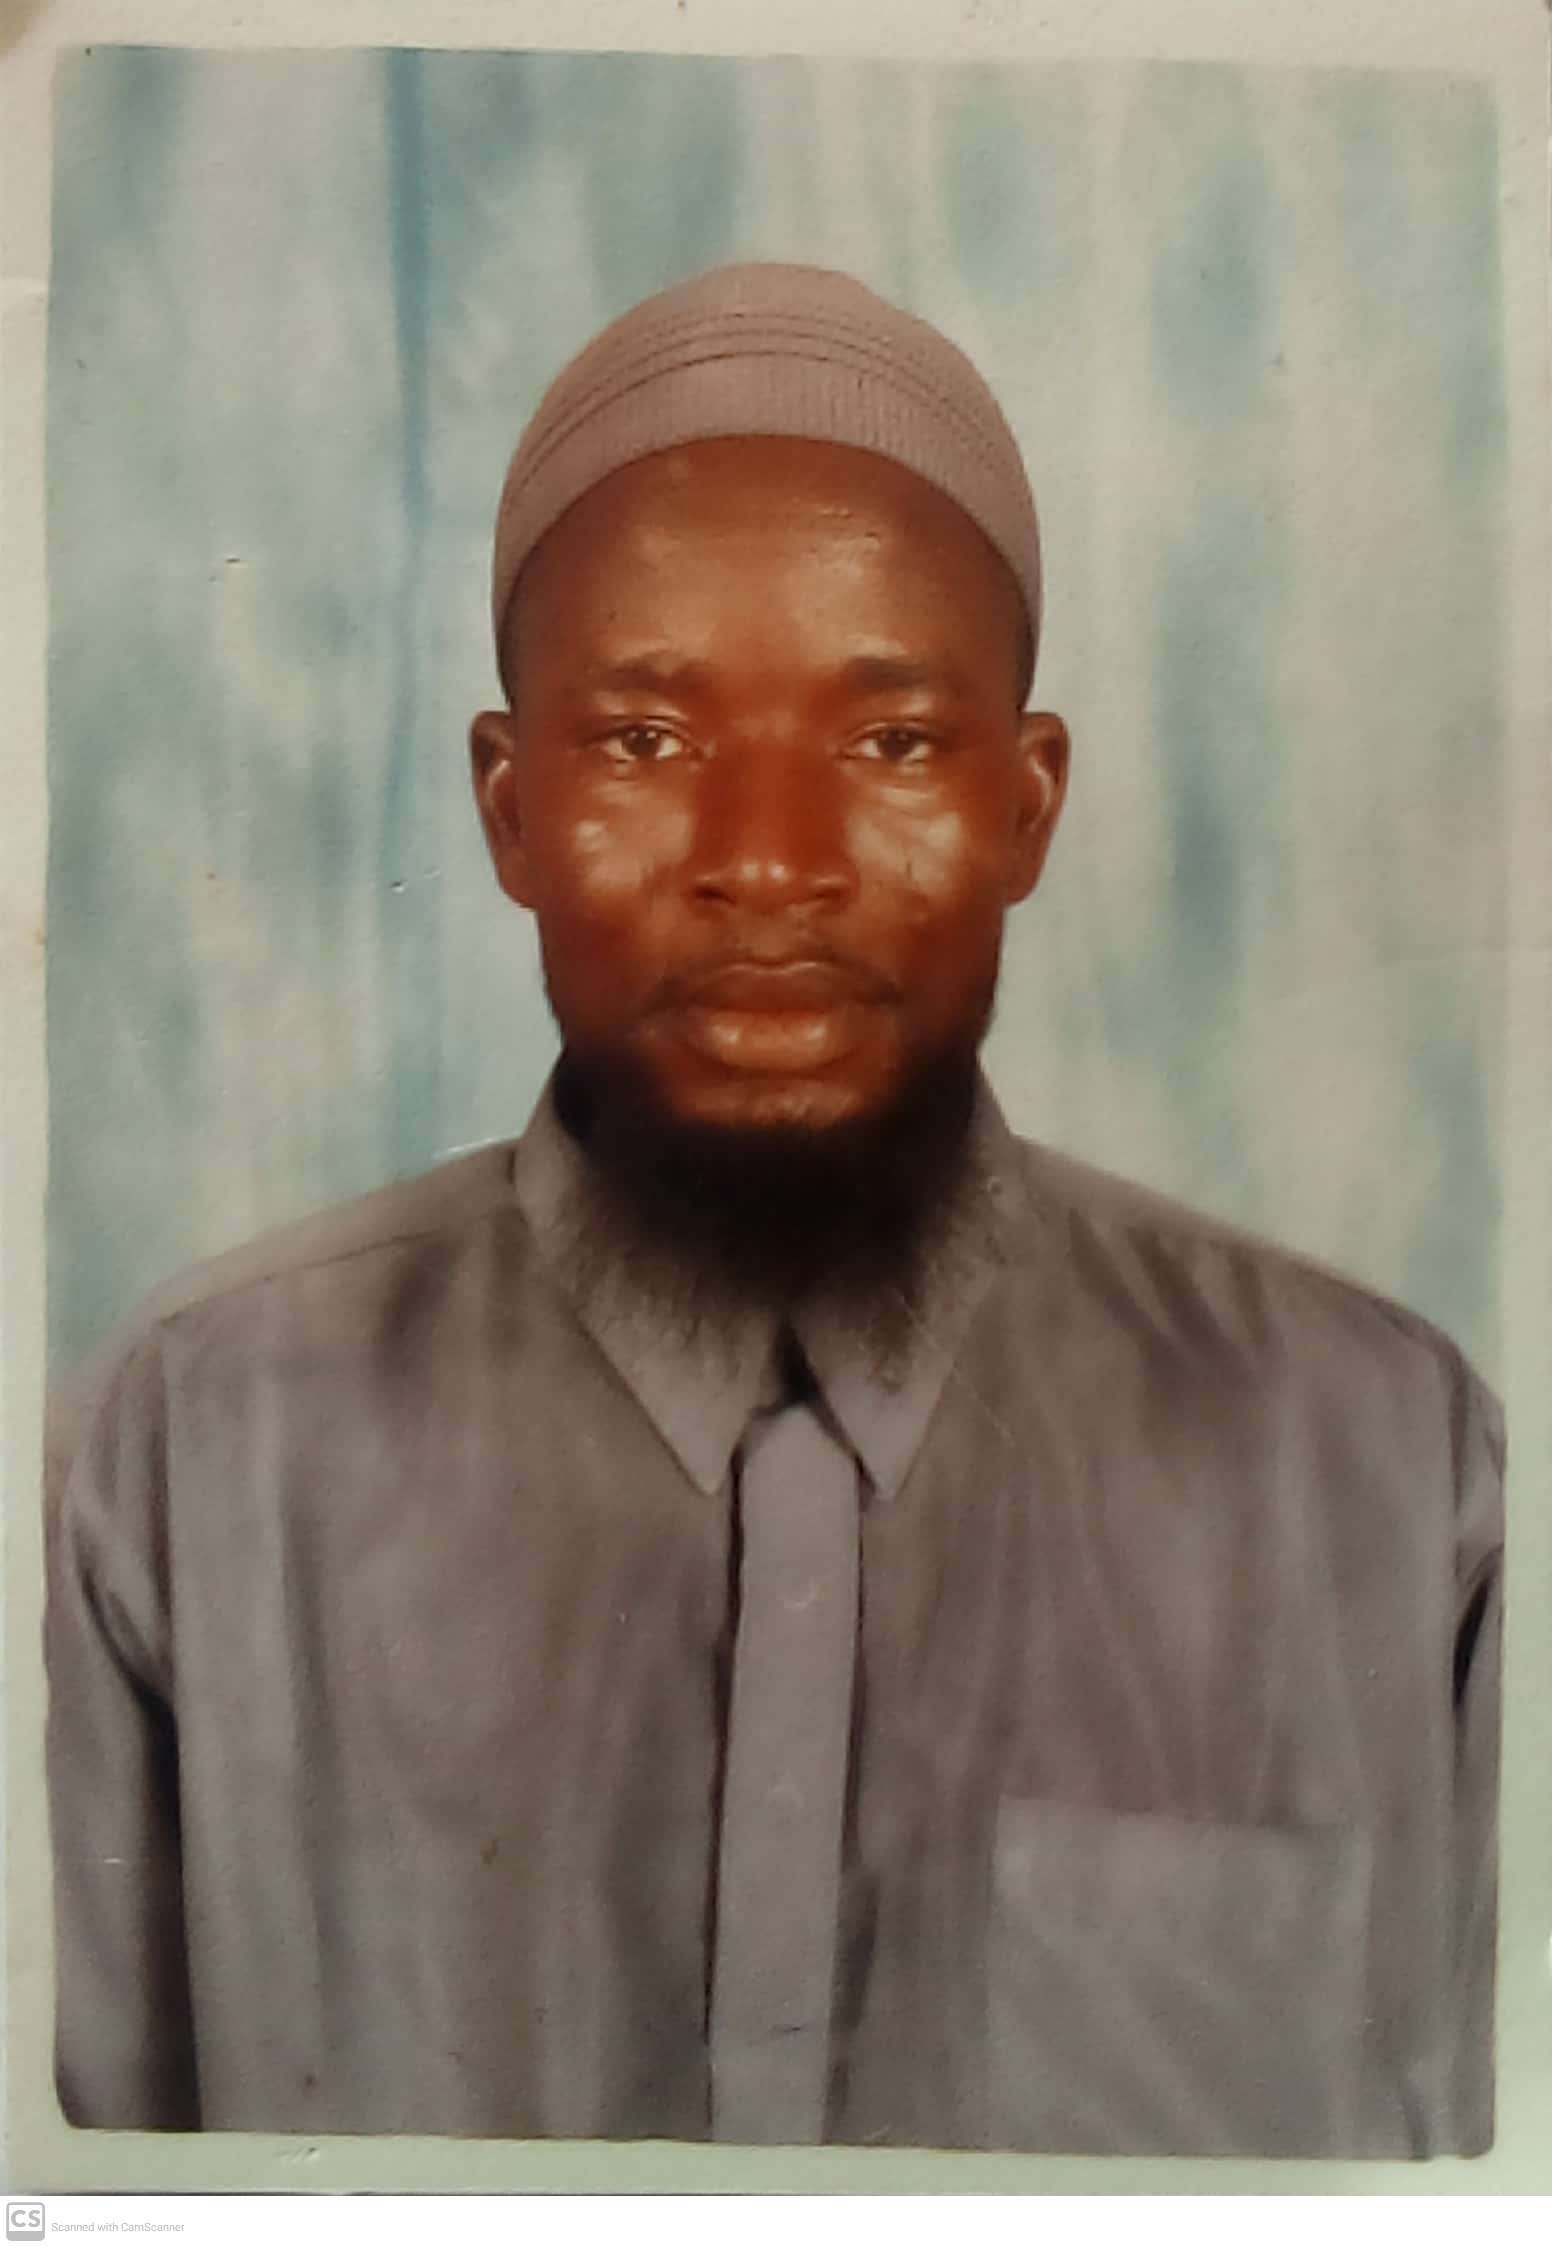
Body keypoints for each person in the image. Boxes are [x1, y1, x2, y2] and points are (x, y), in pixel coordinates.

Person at [45, 262, 1503, 2157]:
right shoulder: (188, 1454)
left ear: (1028, 805)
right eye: (644, 741)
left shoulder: (1384, 1466)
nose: (768, 860)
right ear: (506, 805)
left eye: (891, 742)